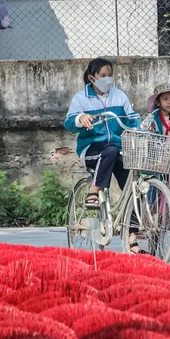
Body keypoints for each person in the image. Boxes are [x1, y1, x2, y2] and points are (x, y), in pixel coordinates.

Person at [64, 58, 143, 250]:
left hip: (117, 149)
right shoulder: (81, 98)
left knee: (134, 185)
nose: (107, 79)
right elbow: (68, 123)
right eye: (102, 76)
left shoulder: (119, 96)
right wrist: (80, 118)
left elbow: (132, 118)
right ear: (92, 78)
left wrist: (143, 126)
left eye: (110, 75)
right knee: (111, 150)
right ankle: (94, 191)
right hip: (92, 149)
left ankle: (133, 239)